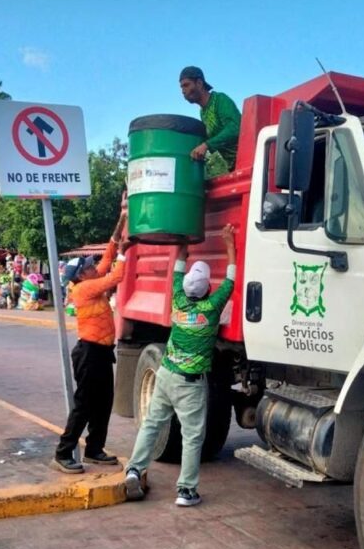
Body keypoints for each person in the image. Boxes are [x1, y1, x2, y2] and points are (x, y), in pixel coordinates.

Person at [124, 223, 237, 506]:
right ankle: (186, 491)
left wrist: (184, 240)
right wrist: (229, 243)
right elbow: (232, 280)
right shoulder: (210, 309)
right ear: (208, 288)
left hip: (165, 375)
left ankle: (135, 470)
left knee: (151, 424)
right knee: (192, 436)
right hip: (189, 384)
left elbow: (177, 268)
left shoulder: (177, 300)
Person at [50, 209, 130, 473]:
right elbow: (116, 275)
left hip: (101, 352)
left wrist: (122, 218)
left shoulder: (89, 280)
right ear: (81, 275)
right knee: (84, 403)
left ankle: (95, 449)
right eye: (88, 267)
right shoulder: (84, 289)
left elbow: (108, 256)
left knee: (103, 401)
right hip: (89, 353)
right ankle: (63, 453)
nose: (93, 267)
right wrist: (124, 254)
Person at [179, 66, 241, 177]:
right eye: (181, 87)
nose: (183, 91)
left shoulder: (220, 100)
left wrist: (206, 145)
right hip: (231, 169)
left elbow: (235, 127)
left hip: (245, 160)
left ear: (199, 83)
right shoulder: (203, 113)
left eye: (186, 85)